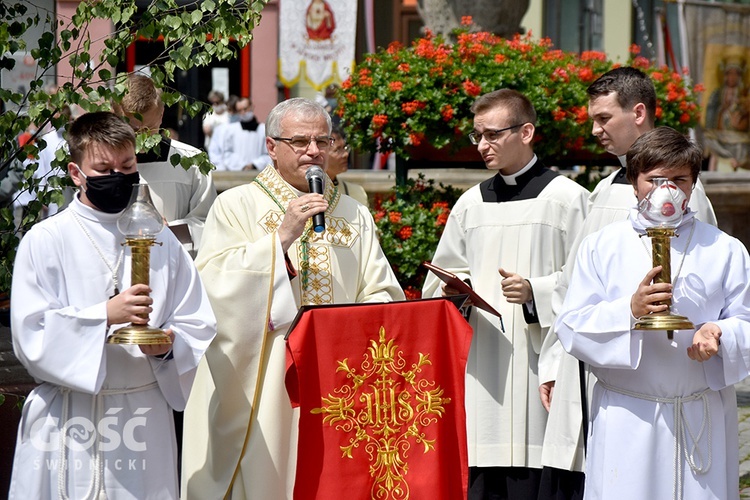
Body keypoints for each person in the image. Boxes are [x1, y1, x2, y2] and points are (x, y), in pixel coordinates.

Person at [181, 97, 405, 499]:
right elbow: (211, 287)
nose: (314, 151)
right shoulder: (235, 206)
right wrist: (280, 240)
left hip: (340, 374)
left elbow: (382, 291)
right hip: (265, 376)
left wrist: (354, 335)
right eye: (300, 141)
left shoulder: (355, 213)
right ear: (272, 147)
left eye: (322, 140)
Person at [8, 111, 217, 499]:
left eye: (127, 166)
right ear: (76, 173)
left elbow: (197, 321)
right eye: (103, 168)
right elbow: (30, 334)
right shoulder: (46, 240)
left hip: (143, 414)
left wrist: (169, 350)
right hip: (69, 418)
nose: (118, 177)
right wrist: (104, 316)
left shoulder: (162, 239)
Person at [538, 67, 719, 499]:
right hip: (592, 351)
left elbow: (702, 283)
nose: (595, 130)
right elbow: (572, 285)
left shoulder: (685, 201)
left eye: (603, 119)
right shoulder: (606, 188)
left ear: (638, 113)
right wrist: (553, 360)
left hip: (649, 380)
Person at [555, 126, 750, 500]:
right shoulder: (602, 246)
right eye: (655, 179)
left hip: (699, 413)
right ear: (634, 181)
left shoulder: (725, 249)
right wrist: (627, 311)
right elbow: (572, 325)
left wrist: (720, 334)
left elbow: (745, 319)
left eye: (678, 179)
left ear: (693, 184)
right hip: (629, 415)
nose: (667, 191)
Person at [422, 89, 589, 500]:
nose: (482, 145)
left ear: (526, 131)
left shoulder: (568, 199)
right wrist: (454, 289)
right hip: (484, 365)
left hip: (540, 363)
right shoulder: (470, 204)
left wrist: (536, 291)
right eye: (477, 135)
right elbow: (442, 275)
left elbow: (589, 282)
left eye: (492, 134)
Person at [118, 73, 217, 256]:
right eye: (133, 130)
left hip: (174, 263)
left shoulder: (192, 162)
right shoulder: (104, 166)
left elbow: (209, 223)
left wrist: (168, 231)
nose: (142, 138)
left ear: (161, 115)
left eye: (149, 129)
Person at [208, 96, 271, 171]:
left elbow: (268, 153)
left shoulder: (263, 129)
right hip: (237, 172)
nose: (243, 112)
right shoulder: (231, 130)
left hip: (258, 172)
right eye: (240, 110)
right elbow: (227, 153)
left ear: (251, 107)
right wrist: (243, 166)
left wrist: (254, 165)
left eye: (245, 109)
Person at [328, 122, 368, 206]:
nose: (346, 154)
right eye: (338, 150)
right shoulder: (302, 192)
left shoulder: (357, 192)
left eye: (345, 148)